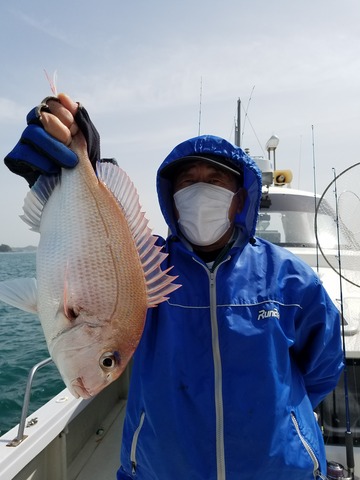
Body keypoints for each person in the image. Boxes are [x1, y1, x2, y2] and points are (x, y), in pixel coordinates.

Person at [4, 94, 344, 480]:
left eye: (216, 181)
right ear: (172, 199)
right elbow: (94, 242)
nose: (201, 192)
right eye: (188, 182)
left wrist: (282, 417)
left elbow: (323, 367)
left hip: (278, 470)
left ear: (239, 199)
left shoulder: (291, 278)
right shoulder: (142, 268)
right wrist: (57, 172)